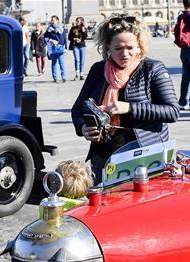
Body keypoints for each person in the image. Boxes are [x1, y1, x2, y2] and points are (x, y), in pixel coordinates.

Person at [71, 14, 180, 182]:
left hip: (144, 153)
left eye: (130, 47)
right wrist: (82, 127)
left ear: (139, 45)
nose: (125, 54)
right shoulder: (98, 69)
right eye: (118, 48)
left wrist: (129, 107)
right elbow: (78, 107)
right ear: (108, 46)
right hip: (104, 154)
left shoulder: (153, 69)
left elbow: (172, 111)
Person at [45, 15, 67, 83]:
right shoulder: (49, 29)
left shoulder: (62, 27)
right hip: (53, 48)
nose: (52, 21)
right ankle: (55, 77)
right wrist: (50, 40)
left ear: (57, 20)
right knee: (54, 63)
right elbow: (45, 37)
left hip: (60, 47)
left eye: (53, 20)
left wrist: (66, 47)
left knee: (62, 63)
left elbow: (64, 38)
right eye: (51, 20)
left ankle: (63, 77)